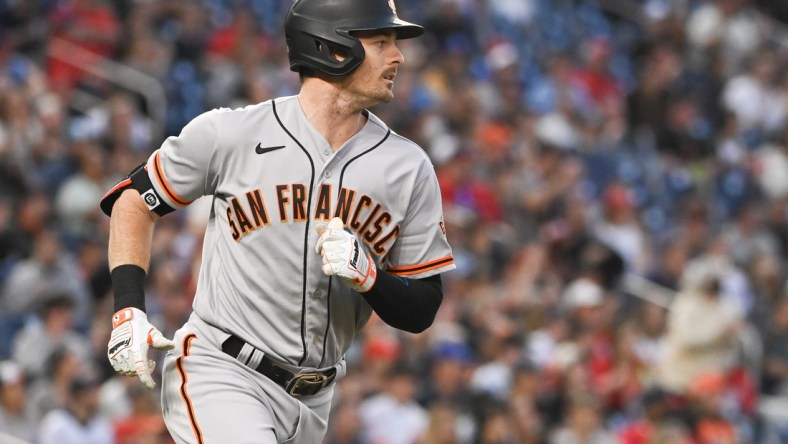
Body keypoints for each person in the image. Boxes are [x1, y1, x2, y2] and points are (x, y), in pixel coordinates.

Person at [99, 0, 455, 443]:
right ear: (333, 46)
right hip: (222, 370)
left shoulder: (408, 166)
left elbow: (423, 307)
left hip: (316, 398)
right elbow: (134, 200)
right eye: (381, 41)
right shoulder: (234, 133)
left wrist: (370, 278)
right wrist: (128, 309)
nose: (398, 56)